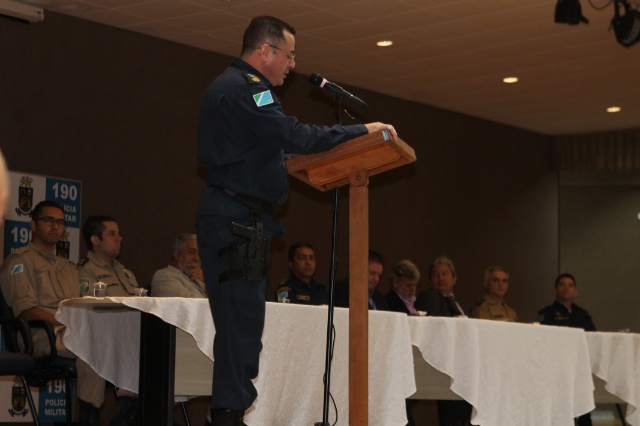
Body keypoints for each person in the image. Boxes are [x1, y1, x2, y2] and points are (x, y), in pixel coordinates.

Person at [195, 15, 397, 426]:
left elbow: (260, 149)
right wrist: (360, 132)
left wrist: (289, 164)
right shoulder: (247, 89)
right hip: (237, 221)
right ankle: (227, 418)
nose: (291, 65)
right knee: (240, 328)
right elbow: (293, 133)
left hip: (236, 217)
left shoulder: (236, 89)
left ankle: (229, 414)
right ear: (265, 51)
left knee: (241, 327)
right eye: (289, 55)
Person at [0, 200, 104, 425]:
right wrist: (69, 324)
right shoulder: (20, 261)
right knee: (91, 345)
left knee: (112, 343)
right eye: (49, 220)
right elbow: (26, 311)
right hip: (38, 334)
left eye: (60, 222)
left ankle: (129, 410)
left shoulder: (68, 267)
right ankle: (88, 417)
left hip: (69, 333)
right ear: (33, 225)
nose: (55, 226)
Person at [415, 256, 472, 426]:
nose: (440, 278)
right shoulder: (429, 298)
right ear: (429, 279)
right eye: (435, 274)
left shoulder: (461, 305)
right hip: (443, 362)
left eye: (445, 273)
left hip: (465, 364)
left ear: (454, 278)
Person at [538, 273, 595, 426]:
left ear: (575, 291)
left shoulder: (583, 314)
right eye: (562, 285)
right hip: (557, 368)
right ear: (555, 290)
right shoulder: (547, 314)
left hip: (580, 366)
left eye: (570, 285)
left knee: (583, 406)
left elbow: (592, 337)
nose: (566, 288)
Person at [77, 215, 140, 297]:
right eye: (112, 234)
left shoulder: (124, 272)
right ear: (95, 240)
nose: (119, 238)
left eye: (118, 233)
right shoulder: (86, 271)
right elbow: (92, 307)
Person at [151, 233, 207, 298]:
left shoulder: (199, 278)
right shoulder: (163, 276)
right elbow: (191, 304)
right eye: (191, 252)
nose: (197, 258)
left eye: (200, 254)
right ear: (176, 254)